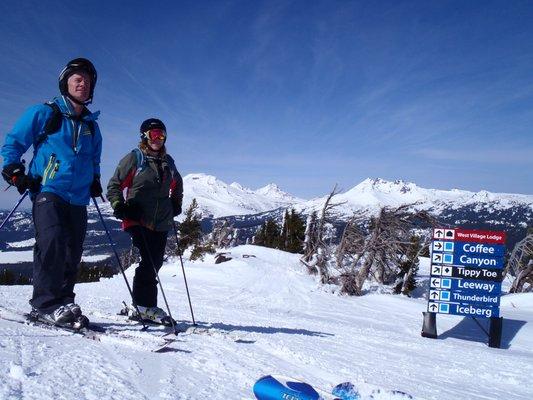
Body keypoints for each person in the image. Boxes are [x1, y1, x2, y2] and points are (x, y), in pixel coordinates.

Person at [1, 58, 103, 326]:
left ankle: (64, 302)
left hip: (78, 198)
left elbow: (94, 159)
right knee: (53, 241)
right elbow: (13, 142)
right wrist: (13, 170)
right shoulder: (45, 113)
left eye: (87, 81)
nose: (83, 84)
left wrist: (95, 179)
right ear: (65, 84)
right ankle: (45, 304)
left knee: (73, 250)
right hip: (48, 189)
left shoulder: (92, 127)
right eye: (77, 79)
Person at [107, 118, 183, 324]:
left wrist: (176, 203)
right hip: (138, 218)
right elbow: (114, 184)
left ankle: (143, 305)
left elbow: (178, 183)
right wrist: (119, 205)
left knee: (155, 262)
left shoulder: (168, 161)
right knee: (149, 262)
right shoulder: (135, 158)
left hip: (162, 221)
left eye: (162, 134)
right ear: (144, 137)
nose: (158, 138)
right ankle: (144, 305)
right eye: (154, 134)